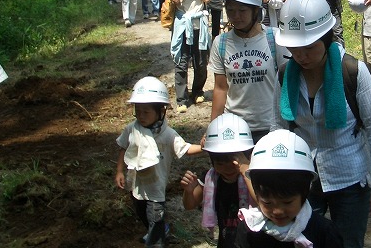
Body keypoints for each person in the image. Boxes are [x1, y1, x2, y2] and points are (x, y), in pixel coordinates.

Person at [273, 0, 371, 248]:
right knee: (301, 241)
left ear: (326, 38)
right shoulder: (284, 75)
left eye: (309, 47)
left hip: (350, 178)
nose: (301, 55)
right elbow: (278, 127)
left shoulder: (353, 72)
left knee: (347, 243)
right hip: (303, 178)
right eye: (294, 48)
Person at [115, 77, 202, 247]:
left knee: (155, 219)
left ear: (161, 111)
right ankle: (159, 230)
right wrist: (119, 171)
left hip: (155, 191)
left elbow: (185, 149)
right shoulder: (132, 129)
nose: (141, 116)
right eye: (138, 111)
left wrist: (204, 147)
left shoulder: (167, 134)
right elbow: (122, 147)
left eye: (146, 112)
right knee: (143, 215)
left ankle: (157, 240)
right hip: (137, 186)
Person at [235, 130, 344, 248]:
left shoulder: (323, 232)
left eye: (287, 202)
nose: (278, 211)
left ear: (304, 193)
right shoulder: (250, 229)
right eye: (267, 203)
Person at [209, 0, 281, 144]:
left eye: (242, 11)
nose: (236, 16)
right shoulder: (221, 43)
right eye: (231, 10)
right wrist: (213, 129)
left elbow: (287, 83)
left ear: (255, 10)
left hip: (271, 125)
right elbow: (220, 89)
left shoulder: (275, 38)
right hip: (235, 127)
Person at [181, 113, 256, 248]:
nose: (228, 169)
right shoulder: (211, 178)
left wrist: (246, 172)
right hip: (226, 240)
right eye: (221, 164)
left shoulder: (254, 177)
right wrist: (188, 190)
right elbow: (190, 205)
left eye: (233, 163)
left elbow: (262, 202)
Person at [167, 0, 211, 112]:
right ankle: (182, 98)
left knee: (201, 62)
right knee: (181, 62)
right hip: (182, 26)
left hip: (199, 24)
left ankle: (198, 90)